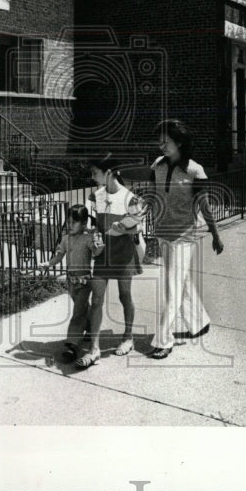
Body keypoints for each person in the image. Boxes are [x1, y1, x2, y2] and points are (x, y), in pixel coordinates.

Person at [146, 119, 224, 359]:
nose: (161, 145)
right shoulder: (157, 165)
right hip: (163, 233)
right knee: (181, 281)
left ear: (179, 142)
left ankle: (163, 340)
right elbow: (152, 197)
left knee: (172, 287)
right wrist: (138, 218)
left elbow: (204, 206)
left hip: (183, 236)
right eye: (159, 141)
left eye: (165, 141)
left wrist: (215, 234)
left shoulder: (195, 170)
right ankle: (199, 321)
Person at [87, 154, 145, 359]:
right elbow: (95, 224)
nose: (92, 176)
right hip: (103, 254)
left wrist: (123, 229)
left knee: (124, 295)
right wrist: (95, 236)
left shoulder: (129, 197)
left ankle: (128, 336)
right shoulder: (98, 196)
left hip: (123, 253)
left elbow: (138, 227)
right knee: (97, 299)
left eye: (95, 172)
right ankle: (94, 347)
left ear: (109, 173)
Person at [38, 204, 105, 368]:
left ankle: (72, 345)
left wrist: (99, 243)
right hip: (71, 282)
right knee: (81, 308)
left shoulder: (88, 238)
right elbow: (59, 256)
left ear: (83, 224)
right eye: (68, 222)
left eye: (73, 223)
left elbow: (97, 253)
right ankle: (89, 327)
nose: (69, 225)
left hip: (83, 282)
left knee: (77, 313)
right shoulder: (66, 239)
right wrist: (48, 263)